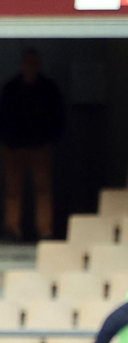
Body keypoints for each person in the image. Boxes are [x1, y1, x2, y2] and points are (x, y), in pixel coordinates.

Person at [0, 48, 64, 241]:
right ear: (22, 64)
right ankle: (12, 229)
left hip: (39, 147)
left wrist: (51, 138)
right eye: (27, 62)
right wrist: (7, 140)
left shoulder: (48, 88)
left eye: (34, 63)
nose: (30, 66)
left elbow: (57, 115)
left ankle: (45, 230)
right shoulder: (11, 88)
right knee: (12, 191)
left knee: (43, 190)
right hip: (14, 148)